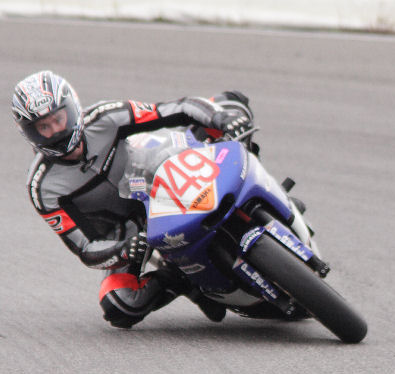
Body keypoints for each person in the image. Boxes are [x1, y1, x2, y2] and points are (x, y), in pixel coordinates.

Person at [13, 70, 258, 328]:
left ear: (72, 108)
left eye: (58, 119)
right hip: (130, 232)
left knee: (231, 103)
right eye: (43, 127)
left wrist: (221, 119)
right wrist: (122, 250)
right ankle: (177, 278)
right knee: (119, 304)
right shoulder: (42, 187)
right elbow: (84, 249)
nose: (56, 131)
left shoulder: (106, 116)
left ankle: (251, 190)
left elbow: (178, 108)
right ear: (29, 134)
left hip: (160, 178)